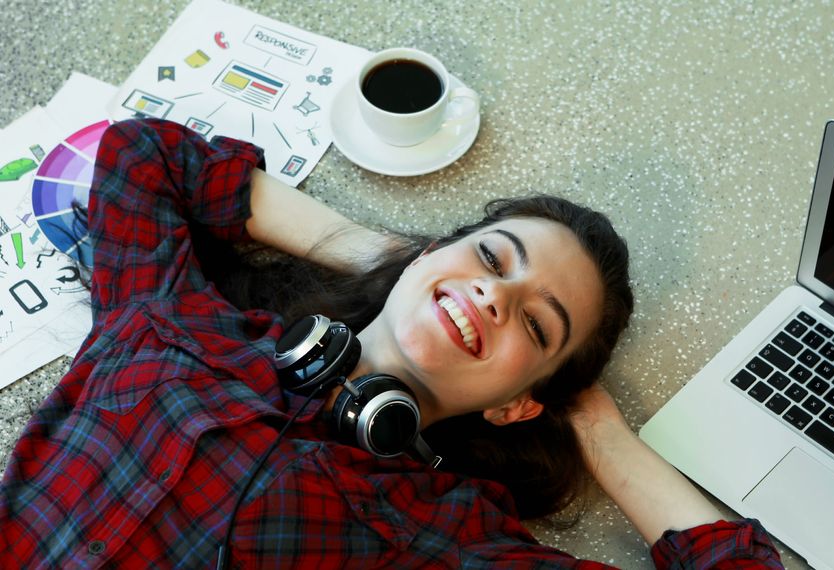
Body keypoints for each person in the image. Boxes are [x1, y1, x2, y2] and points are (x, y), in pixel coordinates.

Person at [0, 119, 782, 568]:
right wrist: (376, 250)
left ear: (518, 404)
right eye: (488, 256)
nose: (494, 294)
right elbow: (147, 155)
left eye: (538, 326)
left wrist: (600, 431)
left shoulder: (440, 536)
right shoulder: (176, 317)